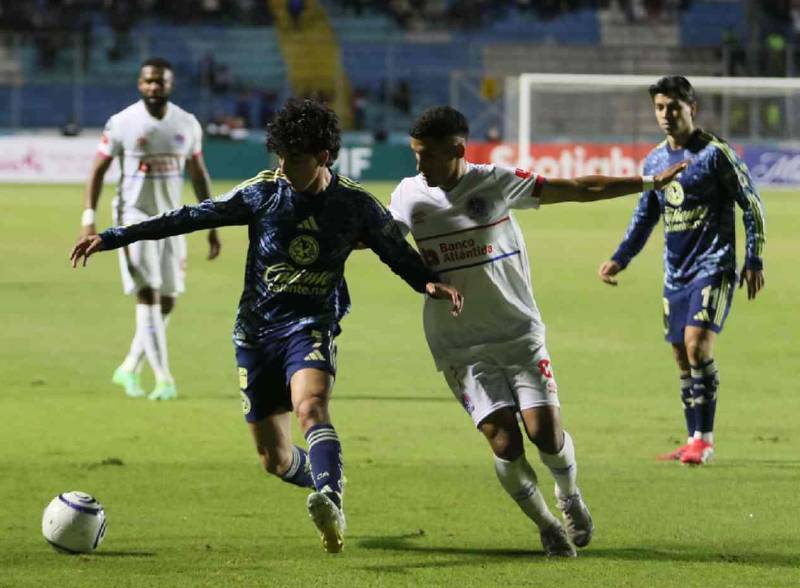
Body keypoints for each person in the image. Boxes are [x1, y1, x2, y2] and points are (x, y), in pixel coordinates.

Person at [71, 98, 463, 554]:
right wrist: (113, 236)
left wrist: (429, 284)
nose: (282, 168)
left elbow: (396, 252)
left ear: (323, 157)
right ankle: (322, 477)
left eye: (293, 159)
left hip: (311, 324)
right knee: (274, 459)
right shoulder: (263, 193)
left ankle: (331, 498)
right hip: (256, 333)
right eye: (278, 156)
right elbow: (188, 217)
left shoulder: (355, 206)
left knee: (312, 406)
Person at [389, 106, 686, 557]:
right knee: (504, 440)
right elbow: (381, 241)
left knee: (545, 433)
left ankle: (568, 495)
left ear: (457, 150)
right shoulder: (408, 195)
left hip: (517, 330)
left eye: (427, 155)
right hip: (459, 342)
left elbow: (581, 188)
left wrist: (648, 182)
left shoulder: (494, 181)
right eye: (415, 155)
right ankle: (546, 524)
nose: (418, 165)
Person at [598, 76, 766, 465]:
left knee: (697, 346)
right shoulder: (655, 161)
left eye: (674, 107)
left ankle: (704, 441)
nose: (666, 115)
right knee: (680, 356)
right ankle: (693, 438)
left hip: (715, 265)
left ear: (693, 108)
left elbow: (752, 204)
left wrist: (753, 259)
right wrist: (620, 257)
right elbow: (645, 217)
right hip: (676, 273)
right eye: (660, 107)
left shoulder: (715, 154)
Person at [80, 57, 221, 401]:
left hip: (173, 221)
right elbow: (98, 170)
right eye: (148, 81)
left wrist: (212, 222)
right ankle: (163, 378)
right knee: (149, 293)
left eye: (161, 81)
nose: (154, 87)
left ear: (171, 85)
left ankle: (129, 366)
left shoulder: (186, 123)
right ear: (139, 84)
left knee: (168, 299)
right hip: (133, 218)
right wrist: (88, 217)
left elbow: (199, 173)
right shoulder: (122, 123)